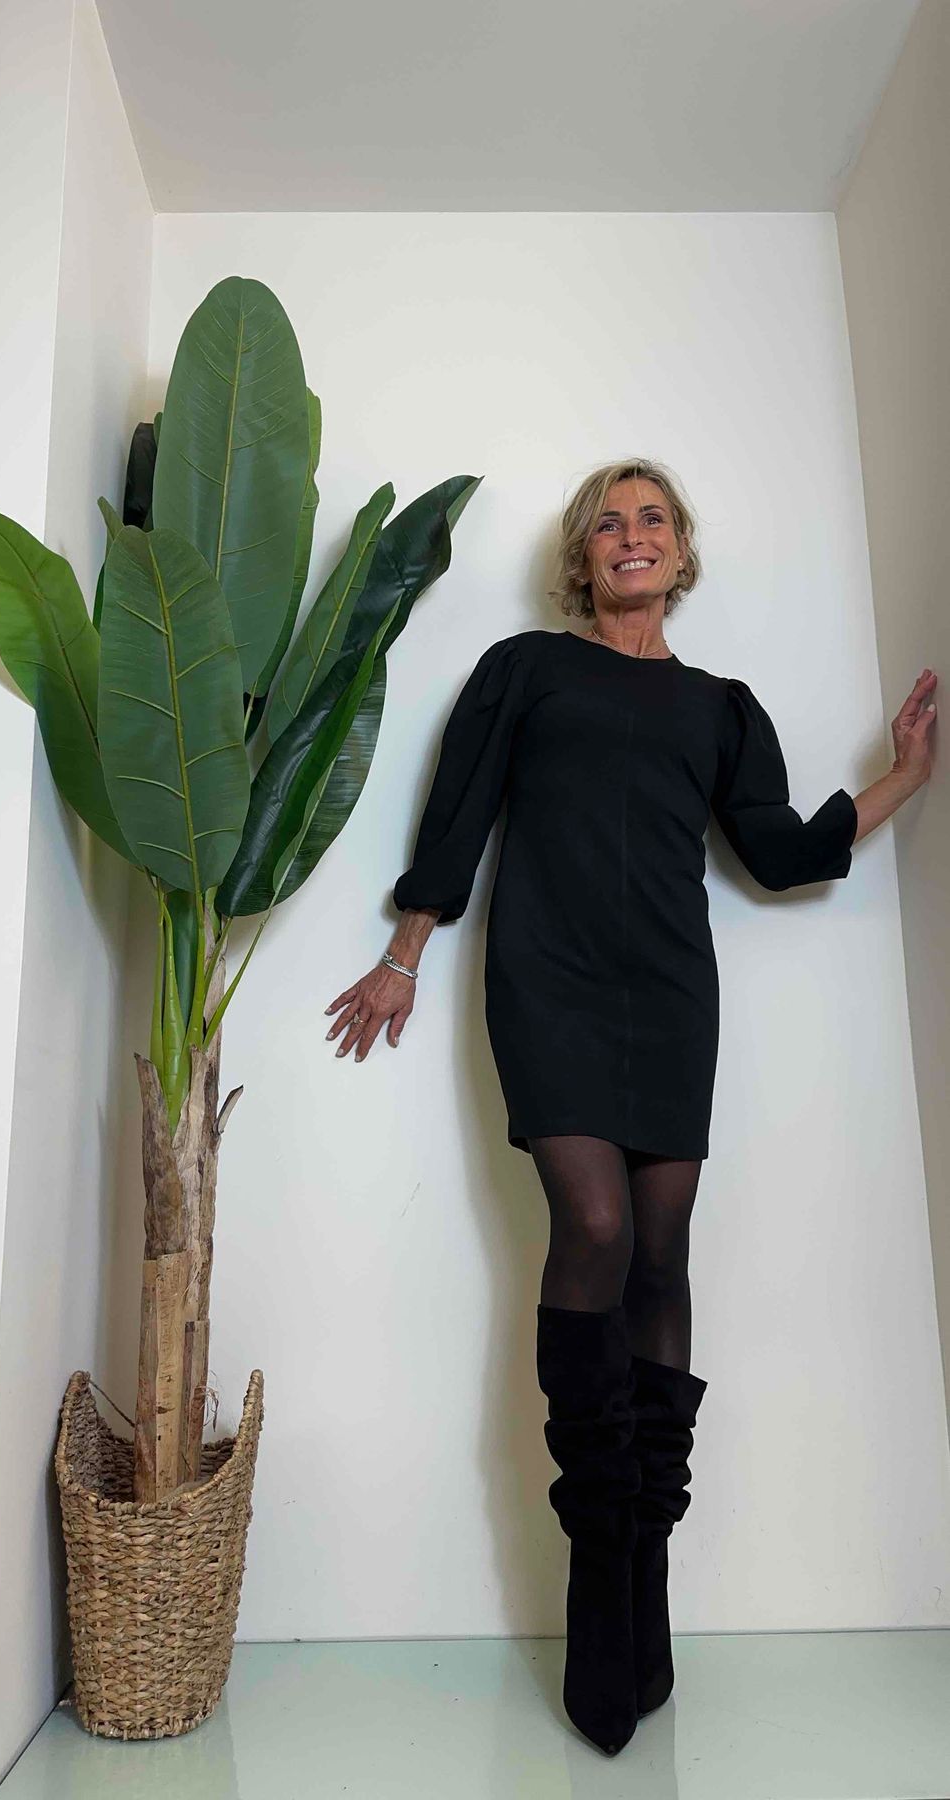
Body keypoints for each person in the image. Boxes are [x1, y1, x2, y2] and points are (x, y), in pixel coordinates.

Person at [322, 458, 938, 1757]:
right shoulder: (525, 670)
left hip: (669, 997)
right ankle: (603, 1572)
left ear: (681, 551)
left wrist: (899, 777)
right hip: (546, 981)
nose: (630, 534)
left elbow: (779, 852)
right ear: (582, 557)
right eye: (607, 521)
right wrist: (404, 954)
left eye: (652, 518)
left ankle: (641, 1581)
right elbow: (460, 810)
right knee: (593, 1228)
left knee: (661, 1257)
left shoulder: (721, 707)